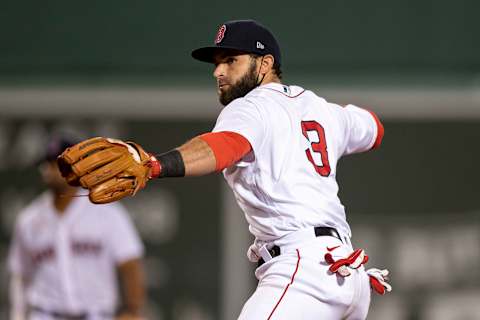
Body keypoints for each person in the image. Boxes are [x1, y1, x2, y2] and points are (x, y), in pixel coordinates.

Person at [60, 19, 391, 320]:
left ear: (265, 64)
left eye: (231, 60)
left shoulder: (251, 106)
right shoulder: (321, 108)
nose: (218, 72)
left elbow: (221, 147)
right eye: (217, 63)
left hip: (304, 274)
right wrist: (332, 120)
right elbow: (374, 128)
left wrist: (155, 164)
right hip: (349, 276)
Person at [8, 135, 146, 320]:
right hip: (45, 314)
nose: (50, 170)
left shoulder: (106, 211)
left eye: (58, 164)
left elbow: (130, 264)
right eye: (48, 164)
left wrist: (132, 310)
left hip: (96, 314)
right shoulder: (29, 219)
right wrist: (17, 316)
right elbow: (20, 276)